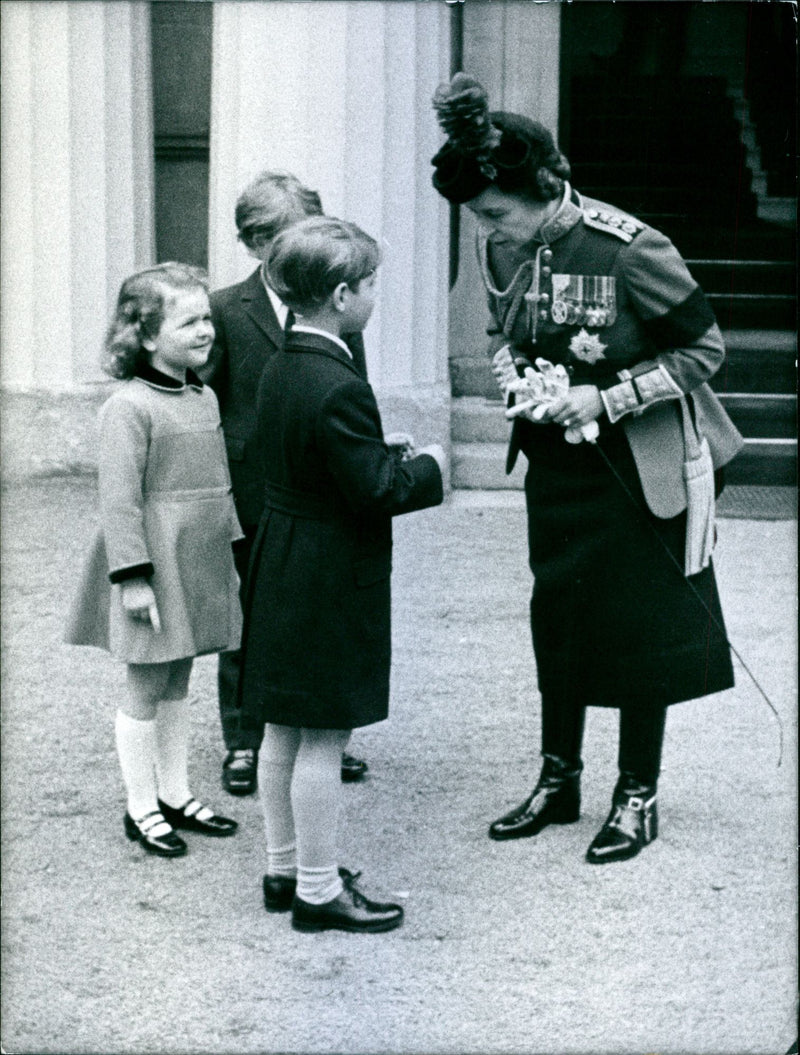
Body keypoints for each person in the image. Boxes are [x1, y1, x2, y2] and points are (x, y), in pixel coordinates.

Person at [430, 74, 744, 863]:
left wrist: (604, 400)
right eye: (480, 219)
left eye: (499, 213)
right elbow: (502, 326)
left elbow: (704, 351)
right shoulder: (500, 236)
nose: (491, 230)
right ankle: (558, 776)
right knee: (559, 620)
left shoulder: (629, 248)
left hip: (639, 465)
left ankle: (637, 792)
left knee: (641, 626)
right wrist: (513, 379)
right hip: (557, 467)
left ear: (543, 188)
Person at [237, 216, 445, 931]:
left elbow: (312, 452)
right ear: (340, 295)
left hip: (283, 554)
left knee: (282, 730)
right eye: (369, 283)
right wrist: (429, 468)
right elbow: (378, 490)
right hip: (328, 572)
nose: (375, 294)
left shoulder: (285, 360)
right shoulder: (340, 381)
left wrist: (371, 446)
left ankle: (283, 864)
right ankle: (319, 891)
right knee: (325, 734)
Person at [202, 171, 370, 795]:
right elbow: (207, 407)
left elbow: (356, 389)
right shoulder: (223, 308)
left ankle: (324, 732)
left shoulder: (339, 304)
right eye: (284, 243)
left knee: (317, 615)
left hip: (319, 493)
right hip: (248, 489)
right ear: (253, 245)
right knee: (246, 614)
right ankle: (245, 739)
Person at [65, 263, 241, 857]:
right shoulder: (128, 408)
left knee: (180, 677)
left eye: (207, 318)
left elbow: (217, 484)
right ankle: (141, 807)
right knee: (145, 681)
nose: (205, 330)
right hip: (153, 563)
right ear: (144, 335)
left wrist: (230, 552)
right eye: (188, 321)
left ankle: (176, 792)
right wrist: (134, 580)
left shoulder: (204, 396)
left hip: (198, 558)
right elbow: (119, 501)